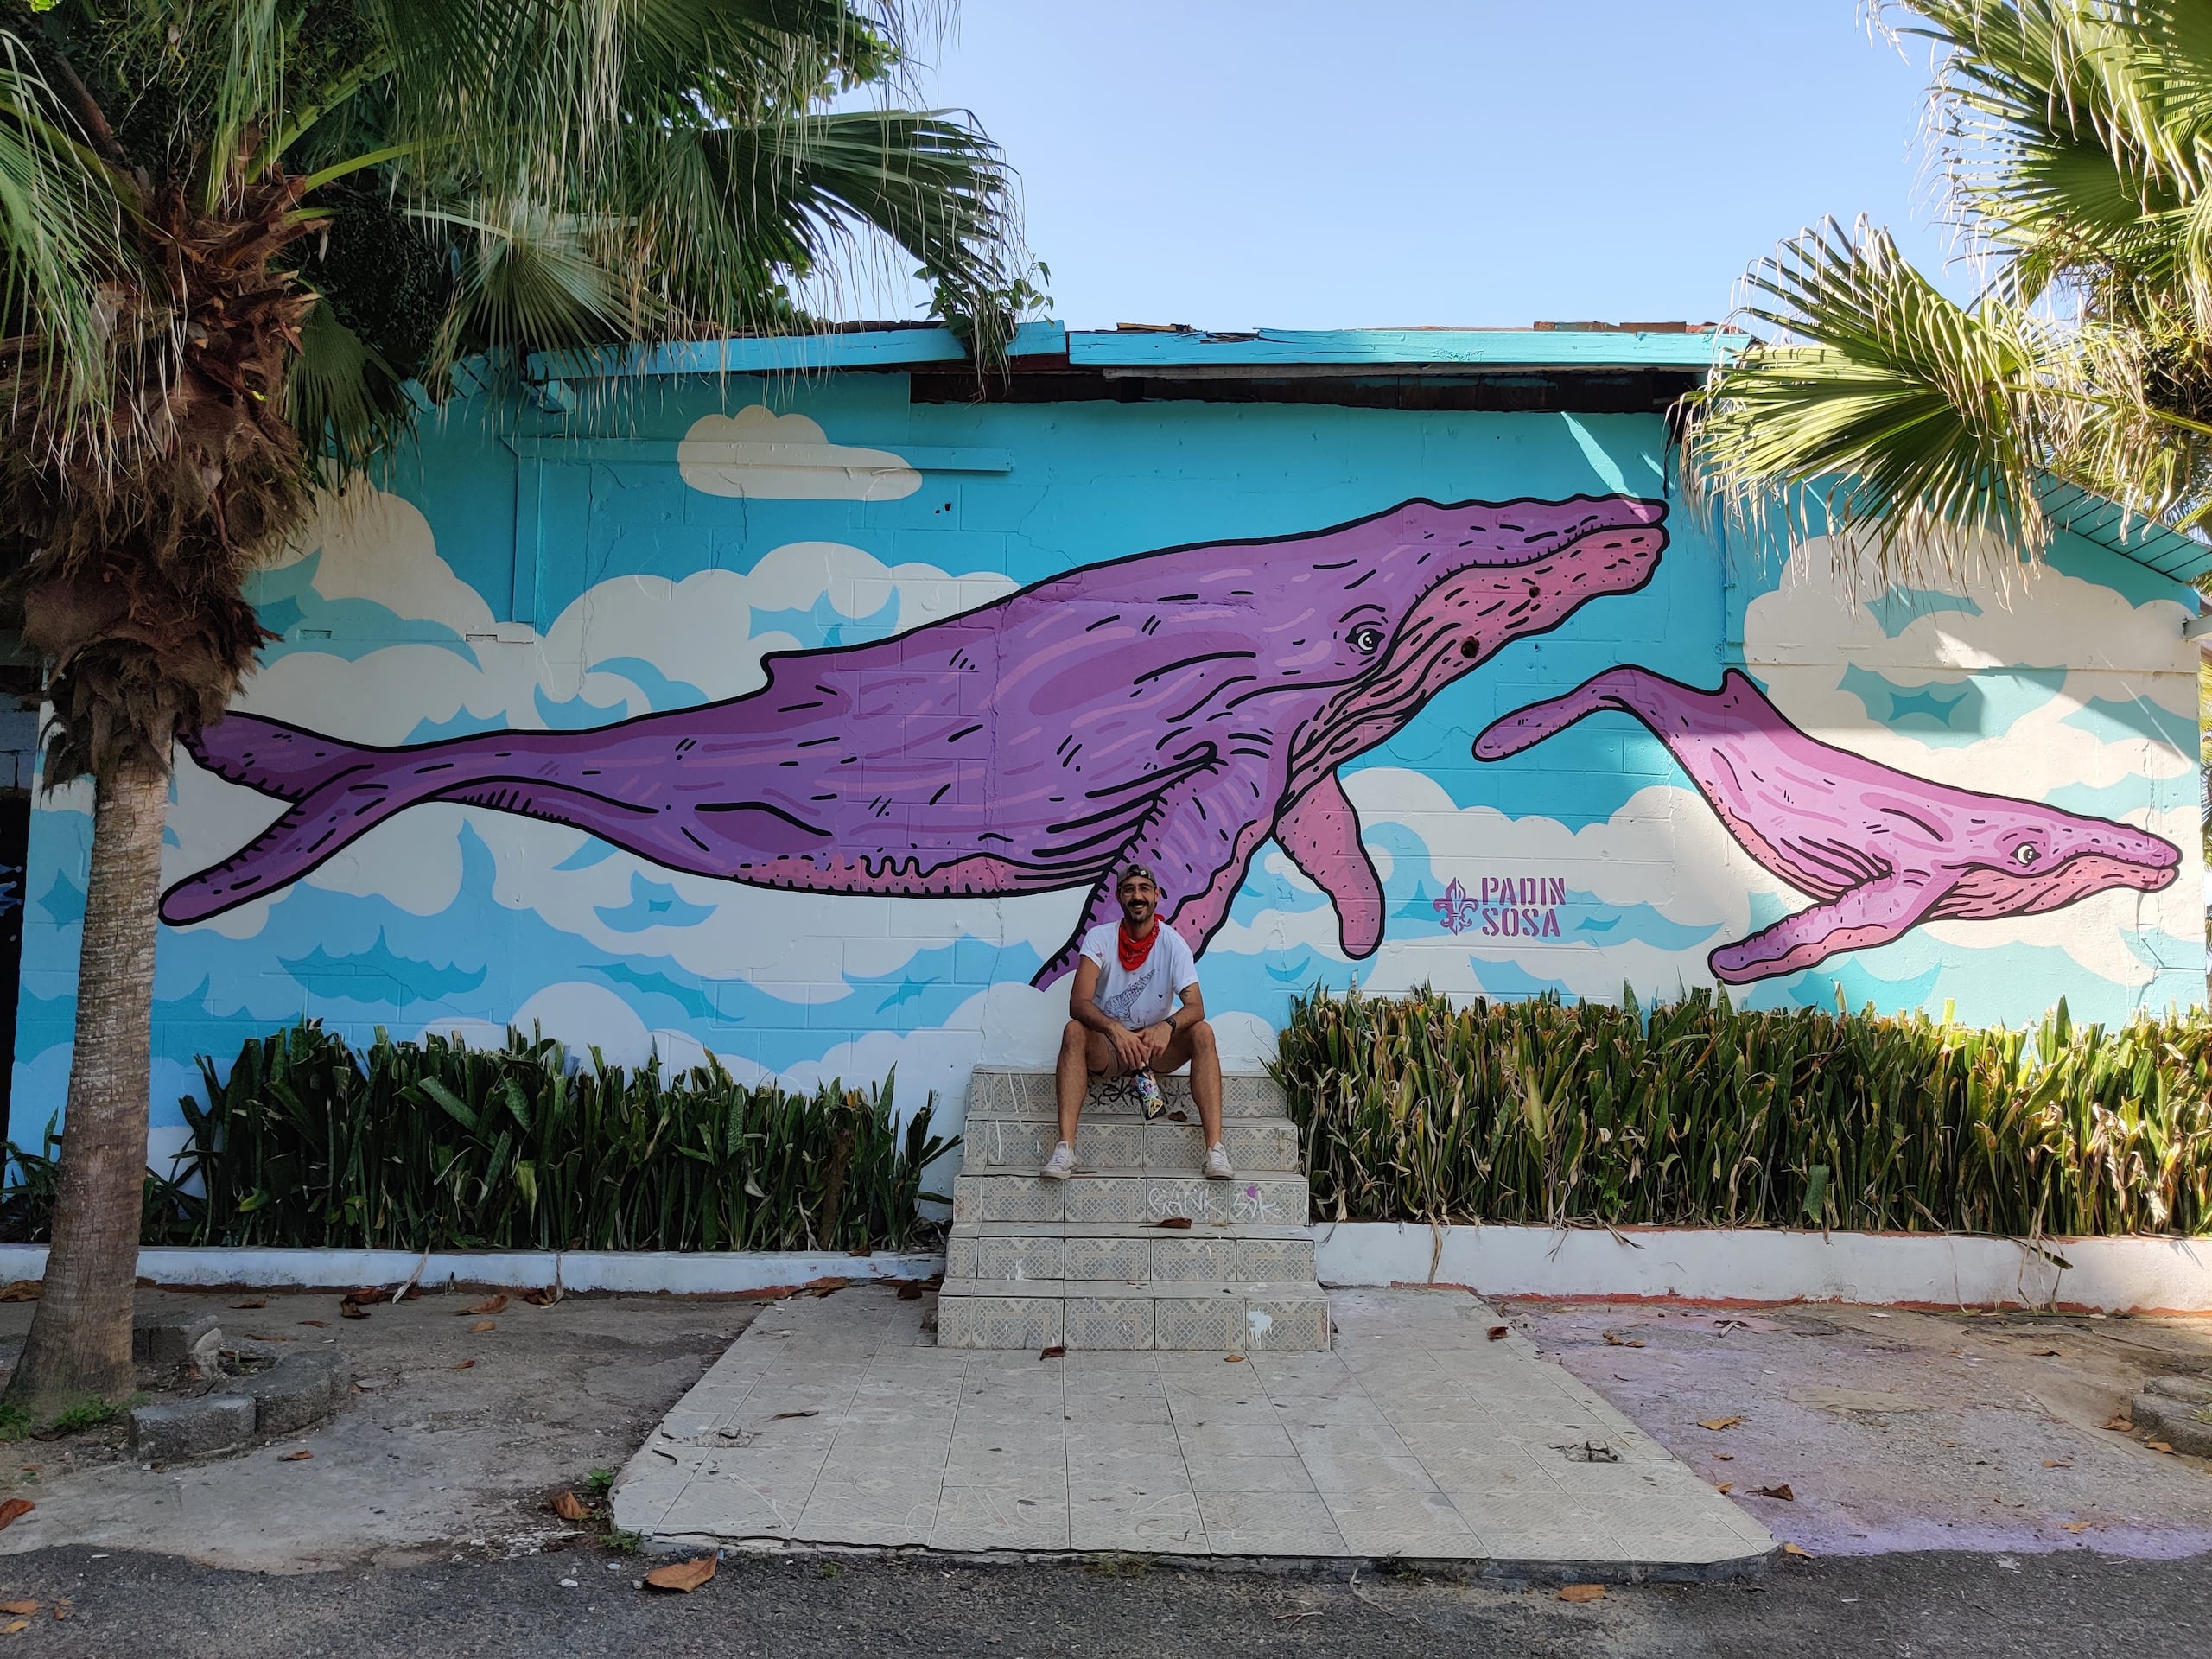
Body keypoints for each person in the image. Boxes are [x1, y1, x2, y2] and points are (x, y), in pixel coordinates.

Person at [1039, 863, 1232, 1181]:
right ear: (1118, 897)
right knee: (1074, 1031)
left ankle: (1215, 1151)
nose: (1137, 896)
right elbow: (1078, 1003)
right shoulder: (1100, 938)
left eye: (1144, 889)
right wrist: (1114, 1030)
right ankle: (1065, 1149)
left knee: (1203, 1033)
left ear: (1157, 896)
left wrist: (1166, 1027)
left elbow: (1197, 1007)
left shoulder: (1173, 944)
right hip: (1110, 1049)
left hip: (1155, 1049)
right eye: (1129, 889)